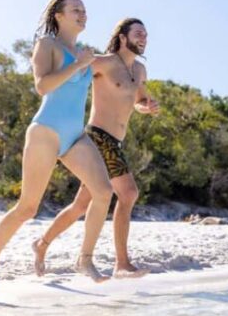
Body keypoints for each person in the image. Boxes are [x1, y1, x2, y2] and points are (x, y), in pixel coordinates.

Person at [0, 0, 113, 297]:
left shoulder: (84, 52)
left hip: (75, 136)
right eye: (76, 9)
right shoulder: (47, 45)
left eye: (85, 10)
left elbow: (118, 69)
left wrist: (142, 99)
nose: (83, 14)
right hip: (46, 132)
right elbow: (42, 86)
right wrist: (78, 65)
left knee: (103, 192)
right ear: (59, 16)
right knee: (27, 208)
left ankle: (85, 260)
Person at [33, 18, 159, 279]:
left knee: (81, 205)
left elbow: (138, 100)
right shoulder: (104, 62)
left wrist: (146, 106)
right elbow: (72, 75)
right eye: (138, 33)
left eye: (145, 34)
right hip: (97, 137)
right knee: (128, 193)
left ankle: (41, 244)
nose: (143, 38)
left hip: (116, 142)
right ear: (123, 38)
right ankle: (122, 264)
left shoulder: (140, 71)